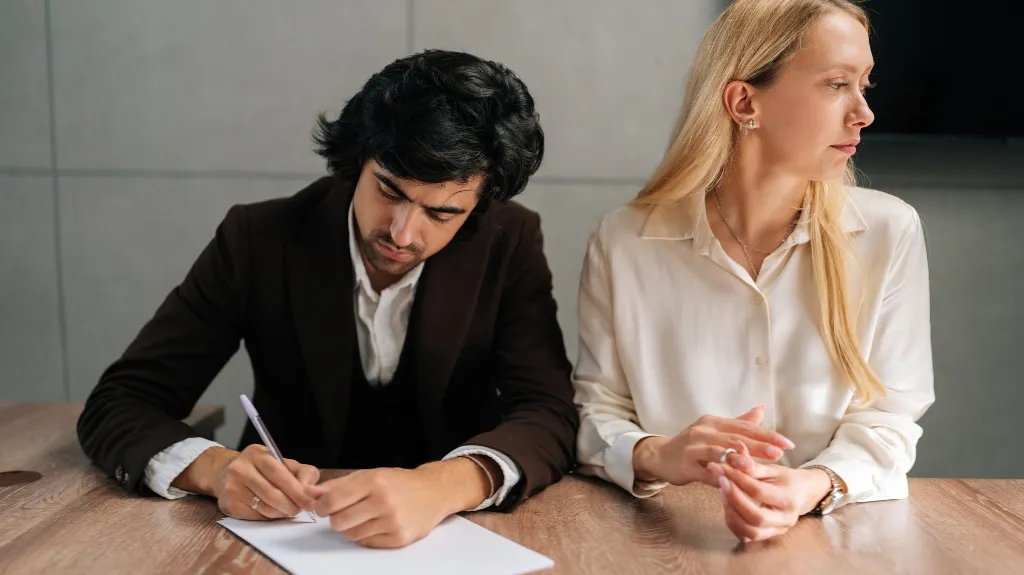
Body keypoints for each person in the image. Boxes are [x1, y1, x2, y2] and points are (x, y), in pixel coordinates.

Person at [77, 49, 578, 549]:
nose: (402, 234)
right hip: (282, 538)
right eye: (389, 190)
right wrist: (215, 470)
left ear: (479, 206)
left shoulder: (508, 241)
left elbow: (549, 412)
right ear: (358, 159)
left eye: (441, 214)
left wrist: (443, 486)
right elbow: (119, 402)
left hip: (457, 537)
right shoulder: (257, 239)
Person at [573, 0, 934, 543]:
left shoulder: (890, 231)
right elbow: (595, 415)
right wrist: (659, 455)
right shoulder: (625, 241)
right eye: (837, 84)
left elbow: (891, 419)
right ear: (744, 101)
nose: (864, 112)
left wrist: (808, 486)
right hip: (663, 540)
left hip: (838, 538)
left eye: (865, 84)